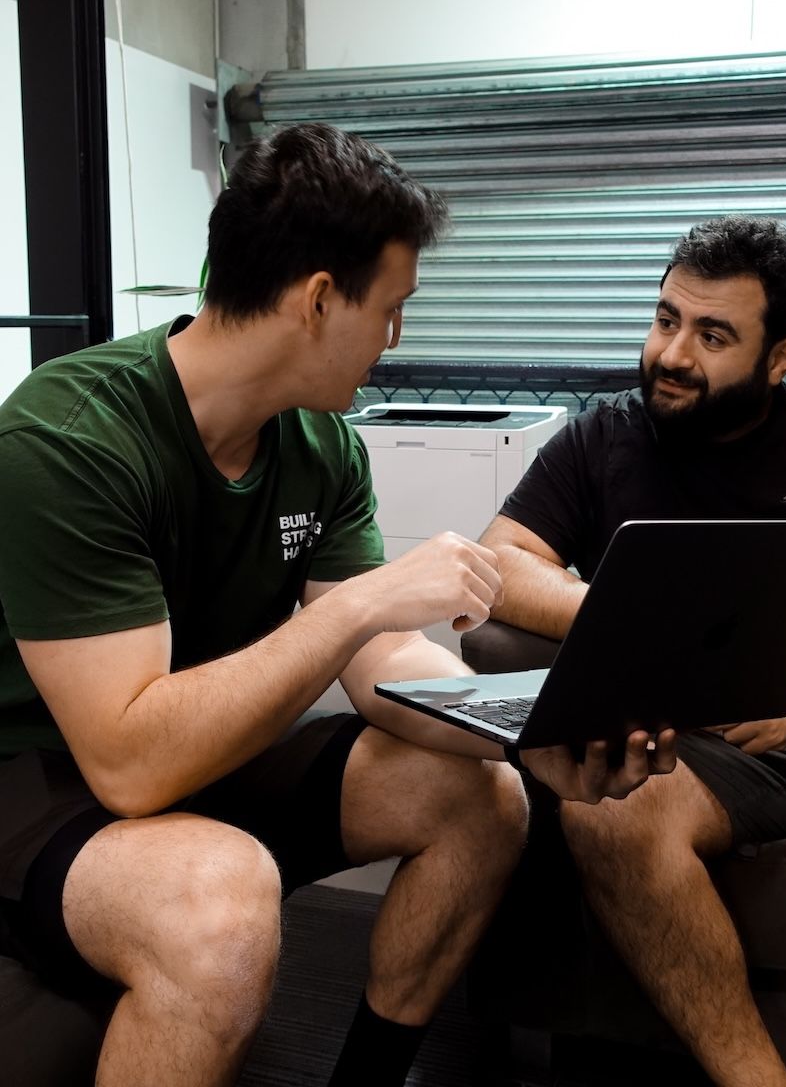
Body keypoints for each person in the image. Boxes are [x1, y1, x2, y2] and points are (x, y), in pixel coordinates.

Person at [0, 121, 538, 1087]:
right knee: (221, 898)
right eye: (391, 309)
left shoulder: (322, 449)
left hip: (208, 750)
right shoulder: (69, 439)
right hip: (41, 780)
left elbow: (383, 672)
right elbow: (129, 763)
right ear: (320, 300)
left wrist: (529, 728)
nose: (396, 338)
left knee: (482, 797)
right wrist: (349, 611)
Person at [480, 214, 786, 1087]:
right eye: (666, 320)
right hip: (706, 756)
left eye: (713, 335)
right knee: (607, 810)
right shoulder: (604, 435)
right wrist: (634, 617)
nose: (673, 354)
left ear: (781, 357)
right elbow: (499, 565)